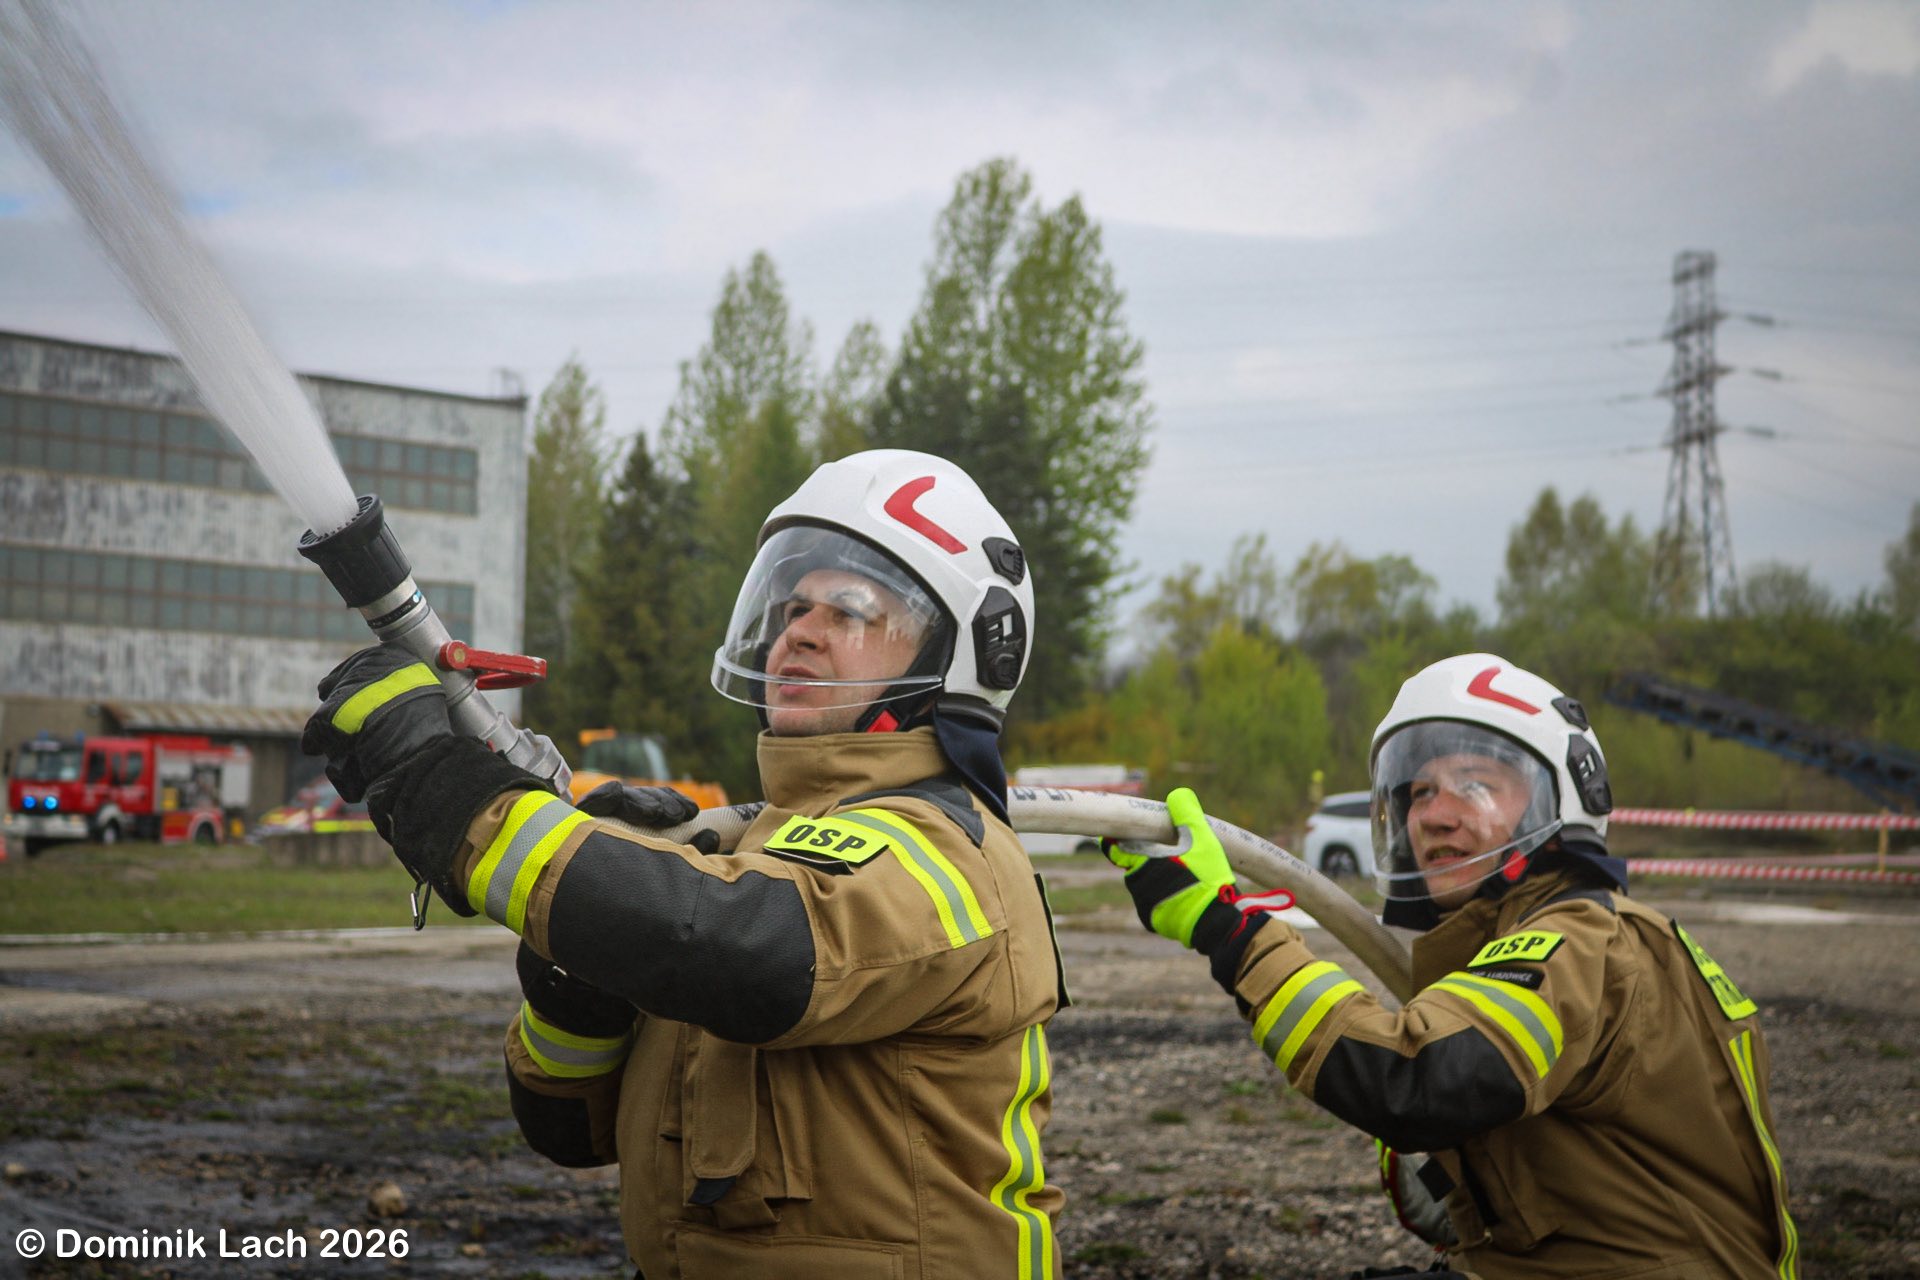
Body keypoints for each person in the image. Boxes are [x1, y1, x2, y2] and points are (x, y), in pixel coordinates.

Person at [303, 449, 1066, 1279]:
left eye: (849, 611)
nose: (800, 631)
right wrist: (581, 969)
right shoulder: (745, 858)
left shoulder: (951, 852)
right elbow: (569, 1133)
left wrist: (455, 802)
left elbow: (749, 955)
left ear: (958, 654)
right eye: (792, 606)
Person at [1104, 654, 1796, 1279]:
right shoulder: (1576, 937)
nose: (1434, 815)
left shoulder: (1580, 941)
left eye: (1475, 784)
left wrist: (1232, 930)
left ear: (1561, 800)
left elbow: (1418, 1083)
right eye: (1419, 792)